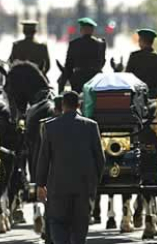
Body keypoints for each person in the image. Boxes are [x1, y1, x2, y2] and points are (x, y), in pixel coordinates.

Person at [36, 91, 105, 244]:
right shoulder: (91, 126)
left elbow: (44, 158)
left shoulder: (50, 126)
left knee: (58, 223)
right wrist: (94, 183)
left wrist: (40, 184)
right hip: (83, 188)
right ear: (79, 105)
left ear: (62, 105)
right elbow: (100, 159)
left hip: (58, 188)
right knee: (80, 227)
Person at [64, 17, 107, 93]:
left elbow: (68, 65)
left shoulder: (74, 44)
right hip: (95, 80)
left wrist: (71, 79)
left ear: (81, 30)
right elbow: (102, 62)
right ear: (93, 30)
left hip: (78, 80)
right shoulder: (100, 44)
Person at [125, 28, 157, 98]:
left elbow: (127, 76)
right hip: (155, 96)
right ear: (152, 42)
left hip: (137, 96)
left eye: (139, 40)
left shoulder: (134, 56)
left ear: (141, 42)